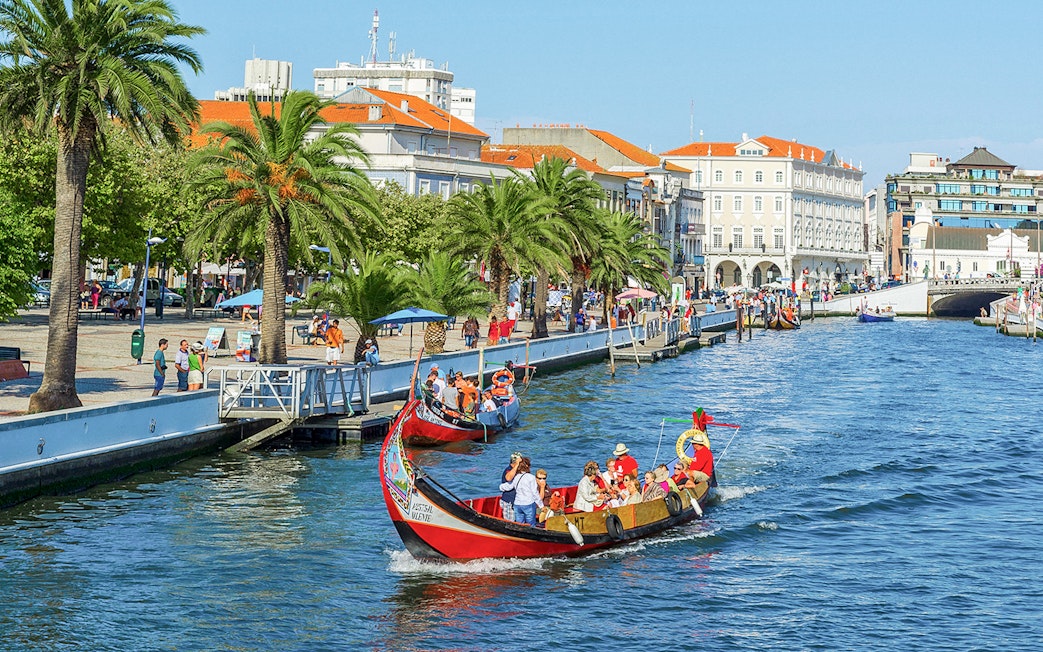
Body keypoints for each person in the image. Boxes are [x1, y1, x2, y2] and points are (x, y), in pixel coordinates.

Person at [500, 457, 542, 526]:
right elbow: (535, 493)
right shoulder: (530, 477)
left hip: (517, 504)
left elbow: (509, 486)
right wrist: (541, 505)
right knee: (530, 524)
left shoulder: (516, 476)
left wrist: (501, 487)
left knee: (519, 524)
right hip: (526, 503)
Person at [499, 452, 522, 521]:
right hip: (509, 501)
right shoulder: (509, 470)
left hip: (517, 501)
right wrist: (517, 465)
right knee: (510, 521)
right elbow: (508, 478)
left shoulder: (519, 471)